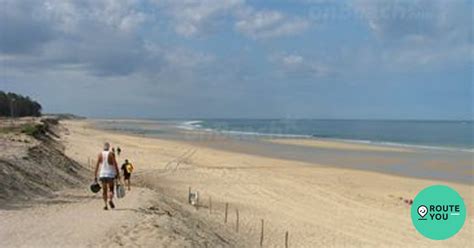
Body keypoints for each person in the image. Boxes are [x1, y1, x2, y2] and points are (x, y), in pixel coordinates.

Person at [94, 142, 120, 210]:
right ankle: (110, 199)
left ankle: (105, 205)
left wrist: (95, 176)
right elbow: (115, 164)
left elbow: (97, 166)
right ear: (108, 147)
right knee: (111, 189)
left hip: (102, 174)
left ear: (103, 147)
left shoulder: (100, 154)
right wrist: (117, 173)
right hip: (110, 174)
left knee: (104, 190)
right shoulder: (111, 154)